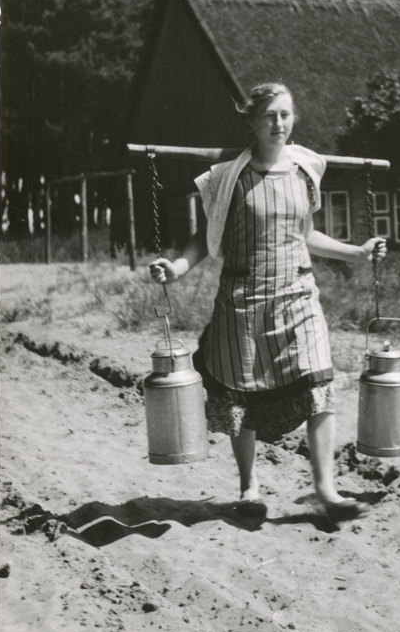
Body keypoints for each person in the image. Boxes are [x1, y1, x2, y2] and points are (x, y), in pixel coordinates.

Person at [149, 82, 387, 523]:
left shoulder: (304, 171)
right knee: (244, 397)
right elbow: (208, 237)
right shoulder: (229, 178)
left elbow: (306, 234)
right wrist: (178, 268)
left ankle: (325, 489)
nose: (279, 124)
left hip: (298, 296)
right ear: (252, 123)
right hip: (243, 302)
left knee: (319, 383)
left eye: (286, 114)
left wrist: (357, 252)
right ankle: (249, 487)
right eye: (270, 116)